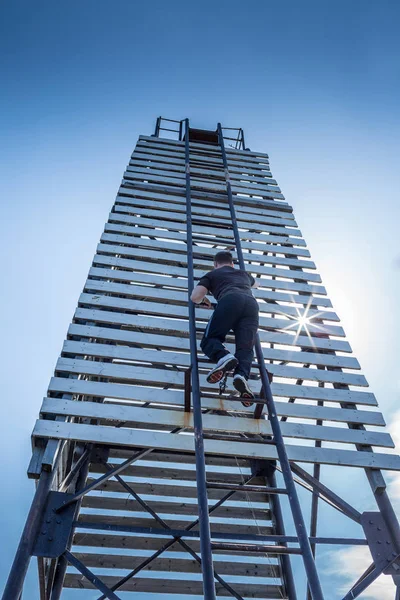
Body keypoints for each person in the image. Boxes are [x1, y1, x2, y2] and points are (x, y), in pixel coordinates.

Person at [190, 251, 259, 404]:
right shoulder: (243, 274)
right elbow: (256, 284)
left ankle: (223, 356)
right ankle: (241, 375)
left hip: (230, 300)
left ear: (215, 265)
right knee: (246, 347)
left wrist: (204, 299)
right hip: (252, 306)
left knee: (209, 339)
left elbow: (195, 297)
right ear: (232, 263)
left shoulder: (212, 275)